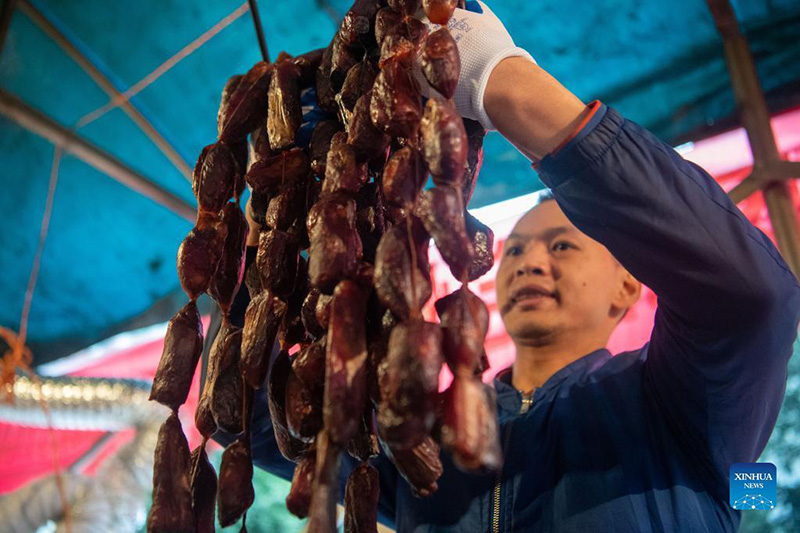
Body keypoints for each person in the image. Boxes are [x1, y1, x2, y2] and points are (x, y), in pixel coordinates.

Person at [207, 2, 800, 531]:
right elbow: (251, 421)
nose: (528, 262)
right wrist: (277, 231)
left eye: (562, 246)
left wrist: (504, 83)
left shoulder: (681, 402)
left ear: (628, 284)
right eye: (514, 251)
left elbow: (750, 296)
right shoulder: (420, 429)